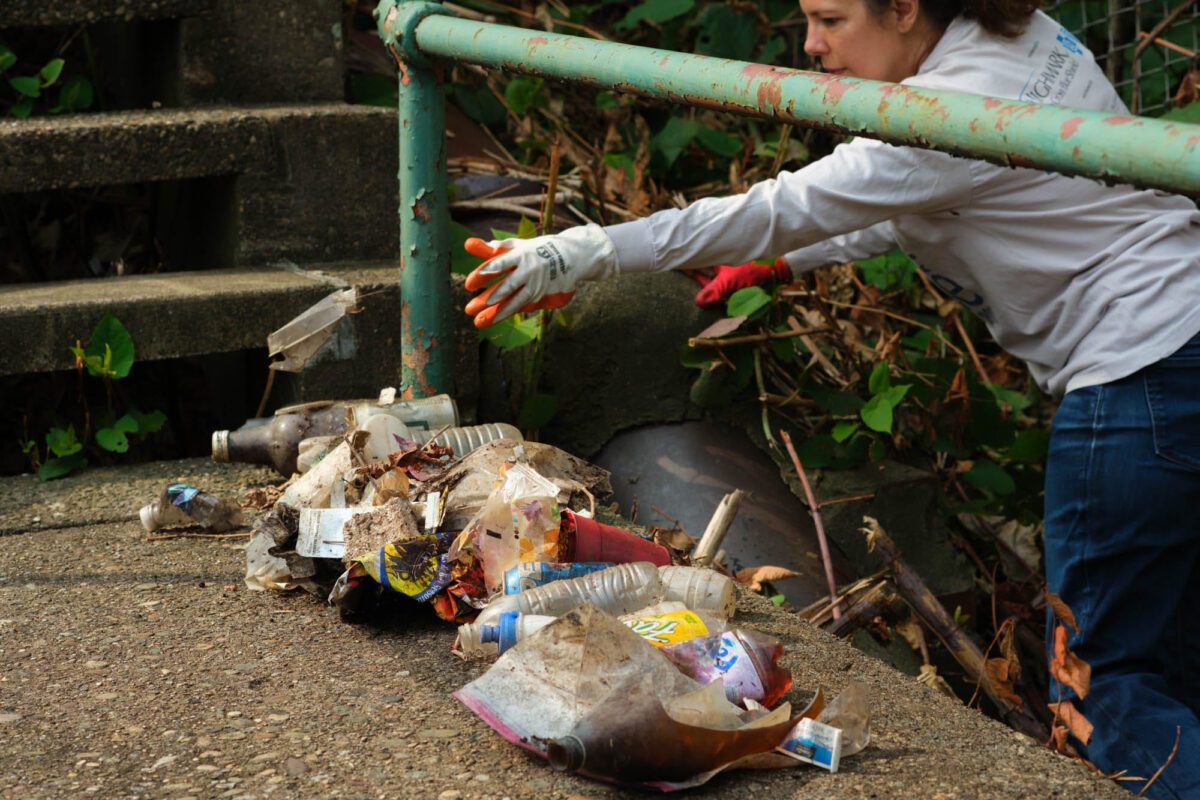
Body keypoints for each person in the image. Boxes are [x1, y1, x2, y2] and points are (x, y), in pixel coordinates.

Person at [462, 1, 1200, 796]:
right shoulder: (1021, 32)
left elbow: (781, 208)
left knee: (1105, 691)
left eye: (831, 19)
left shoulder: (945, 114)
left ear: (904, 8)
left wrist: (580, 252)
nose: (811, 46)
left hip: (1139, 373)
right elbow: (921, 198)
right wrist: (784, 263)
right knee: (1176, 647)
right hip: (1183, 333)